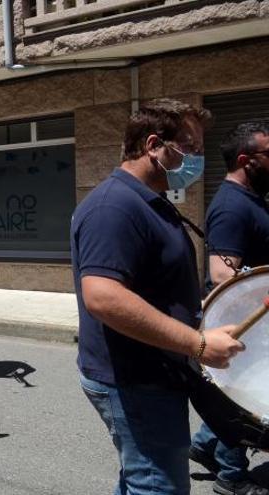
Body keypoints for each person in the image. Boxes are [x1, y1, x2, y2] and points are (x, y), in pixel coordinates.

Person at [71, 99, 245, 494]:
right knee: (157, 485)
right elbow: (103, 296)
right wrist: (198, 343)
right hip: (133, 380)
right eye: (191, 146)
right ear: (153, 144)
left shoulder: (151, 201)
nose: (198, 157)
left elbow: (153, 283)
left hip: (154, 372)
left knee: (141, 479)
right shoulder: (113, 206)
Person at [189, 121, 269, 495]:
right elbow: (223, 273)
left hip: (255, 321)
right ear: (246, 160)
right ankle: (231, 477)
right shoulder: (232, 207)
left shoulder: (252, 199)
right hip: (241, 325)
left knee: (234, 396)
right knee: (242, 396)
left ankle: (205, 445)